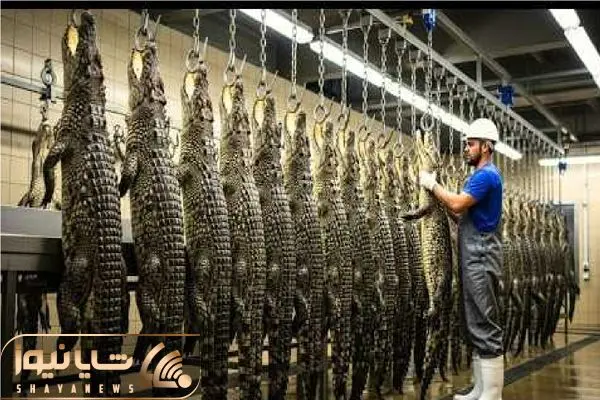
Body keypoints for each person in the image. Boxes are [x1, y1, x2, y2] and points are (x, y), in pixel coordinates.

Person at [418, 118, 504, 400]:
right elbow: (463, 215)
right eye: (466, 144)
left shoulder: (486, 176)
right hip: (472, 259)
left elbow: (456, 203)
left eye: (471, 144)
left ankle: (492, 392)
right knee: (474, 324)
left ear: (486, 147)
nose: (466, 148)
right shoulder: (478, 176)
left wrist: (433, 185)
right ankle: (480, 388)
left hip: (481, 258)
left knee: (484, 323)